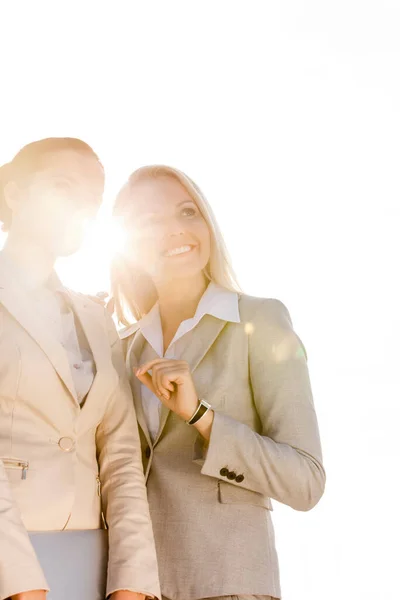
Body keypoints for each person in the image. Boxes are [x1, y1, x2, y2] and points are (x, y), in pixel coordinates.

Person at [111, 165, 326, 600]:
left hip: (227, 584)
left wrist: (200, 416)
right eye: (150, 221)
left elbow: (305, 482)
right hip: (131, 586)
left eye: (187, 212)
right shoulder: (119, 349)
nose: (175, 230)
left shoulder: (259, 321)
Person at [0, 139, 160, 600]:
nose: (80, 207)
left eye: (93, 198)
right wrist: (21, 584)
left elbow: (122, 457)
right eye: (62, 186)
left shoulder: (94, 317)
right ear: (14, 194)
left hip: (91, 566)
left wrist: (132, 581)